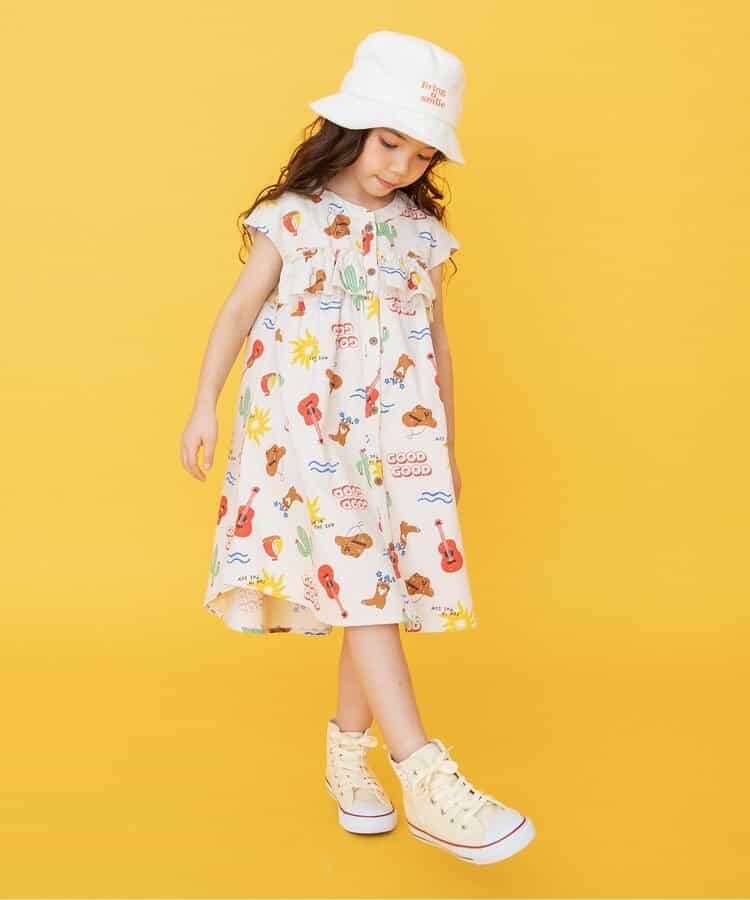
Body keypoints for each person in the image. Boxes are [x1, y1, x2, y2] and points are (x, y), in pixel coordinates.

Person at [180, 30, 536, 865]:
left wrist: (445, 444)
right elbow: (238, 311)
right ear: (351, 129)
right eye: (388, 143)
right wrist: (204, 405)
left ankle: (348, 757)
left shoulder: (422, 234)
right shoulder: (291, 216)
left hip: (401, 436)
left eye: (421, 155)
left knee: (376, 585)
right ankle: (424, 774)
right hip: (303, 430)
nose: (400, 167)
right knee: (365, 581)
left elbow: (436, 342)